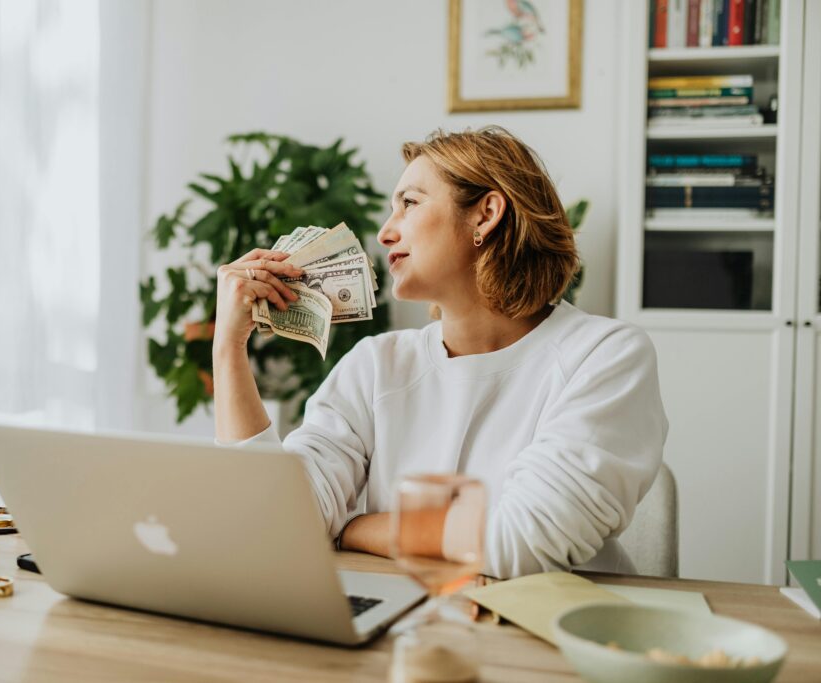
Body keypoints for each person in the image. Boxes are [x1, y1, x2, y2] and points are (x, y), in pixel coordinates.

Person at [211, 126, 668, 578]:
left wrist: (355, 528)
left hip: (554, 637)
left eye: (409, 203)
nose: (386, 232)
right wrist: (228, 347)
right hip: (408, 630)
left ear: (485, 214)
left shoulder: (605, 356)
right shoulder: (375, 366)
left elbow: (521, 544)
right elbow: (277, 520)